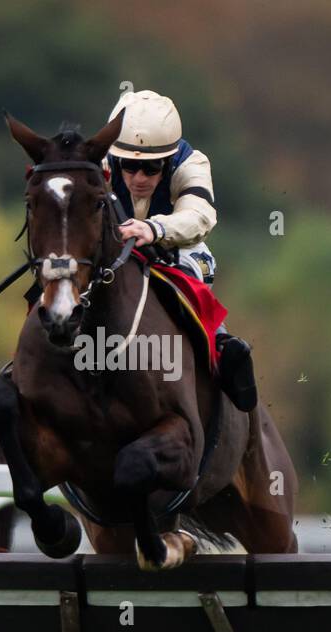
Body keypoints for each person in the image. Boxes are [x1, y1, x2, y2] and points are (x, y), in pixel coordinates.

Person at [106, 90, 258, 412]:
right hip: (116, 252)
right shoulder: (101, 162)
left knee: (189, 281)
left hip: (177, 252)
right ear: (117, 158)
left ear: (169, 159)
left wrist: (154, 229)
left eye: (151, 168)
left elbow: (200, 217)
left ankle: (220, 346)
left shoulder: (192, 163)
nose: (138, 178)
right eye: (130, 167)